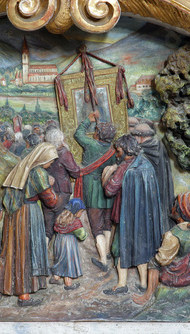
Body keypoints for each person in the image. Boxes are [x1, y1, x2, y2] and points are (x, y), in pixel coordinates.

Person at [0, 142, 58, 307]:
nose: (52, 163)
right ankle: (24, 296)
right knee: (25, 253)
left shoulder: (21, 167)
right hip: (28, 215)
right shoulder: (39, 172)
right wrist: (50, 185)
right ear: (43, 158)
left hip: (13, 215)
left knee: (9, 251)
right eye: (51, 160)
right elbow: (52, 201)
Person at [132, 192, 190, 306]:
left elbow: (163, 260)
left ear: (181, 212)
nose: (172, 207)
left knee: (154, 262)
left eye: (175, 205)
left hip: (187, 277)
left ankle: (148, 295)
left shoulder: (173, 234)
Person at [103, 134, 164, 295]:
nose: (117, 154)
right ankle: (143, 283)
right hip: (144, 217)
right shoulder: (145, 163)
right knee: (141, 248)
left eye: (118, 151)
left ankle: (122, 284)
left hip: (126, 217)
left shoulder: (124, 167)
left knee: (118, 248)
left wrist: (107, 174)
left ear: (126, 150)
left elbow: (110, 190)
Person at [74, 110, 116, 272]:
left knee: (96, 227)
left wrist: (88, 120)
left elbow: (78, 134)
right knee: (107, 224)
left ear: (98, 134)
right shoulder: (113, 149)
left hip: (93, 191)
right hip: (108, 192)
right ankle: (106, 252)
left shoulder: (91, 144)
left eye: (96, 131)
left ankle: (103, 260)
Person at [131, 122, 175, 231]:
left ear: (140, 137)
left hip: (149, 191)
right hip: (161, 188)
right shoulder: (160, 146)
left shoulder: (140, 151)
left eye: (135, 136)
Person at [43, 128, 80, 242]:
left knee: (48, 226)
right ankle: (59, 251)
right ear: (60, 140)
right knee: (60, 223)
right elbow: (75, 172)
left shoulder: (45, 152)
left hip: (47, 191)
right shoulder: (64, 153)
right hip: (61, 191)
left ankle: (44, 254)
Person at [50, 198, 88, 290]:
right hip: (69, 244)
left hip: (59, 242)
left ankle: (55, 277)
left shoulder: (60, 218)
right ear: (76, 211)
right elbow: (82, 236)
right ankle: (68, 284)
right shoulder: (75, 222)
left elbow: (55, 228)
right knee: (68, 263)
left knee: (60, 260)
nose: (81, 214)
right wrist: (85, 234)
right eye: (81, 211)